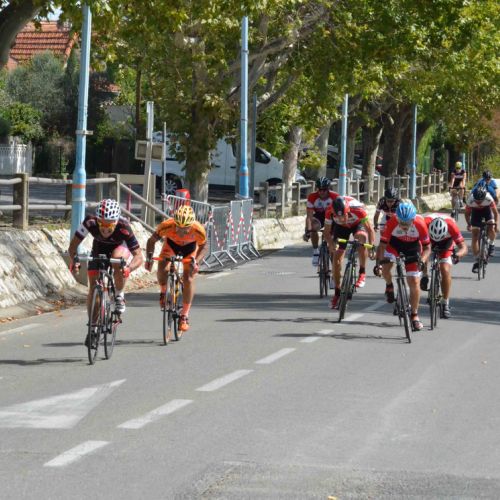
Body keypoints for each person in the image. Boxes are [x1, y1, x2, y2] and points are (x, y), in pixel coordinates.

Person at [68, 199, 144, 345]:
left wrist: (128, 268)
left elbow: (139, 256)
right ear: (97, 220)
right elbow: (72, 247)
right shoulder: (90, 222)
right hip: (99, 249)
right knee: (93, 289)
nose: (105, 228)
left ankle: (119, 295)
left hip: (120, 248)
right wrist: (75, 261)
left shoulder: (124, 227)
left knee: (117, 260)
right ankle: (93, 328)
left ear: (116, 222)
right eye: (102, 223)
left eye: (109, 224)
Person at [145, 205, 207, 333]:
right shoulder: (167, 225)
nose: (181, 232)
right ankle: (163, 292)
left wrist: (196, 262)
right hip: (171, 246)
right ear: (175, 223)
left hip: (190, 249)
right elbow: (151, 241)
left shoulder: (198, 229)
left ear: (191, 225)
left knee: (188, 278)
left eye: (186, 229)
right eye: (179, 227)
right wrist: (149, 259)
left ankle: (184, 315)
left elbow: (204, 246)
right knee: (162, 268)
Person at [374, 201, 431, 331]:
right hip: (394, 245)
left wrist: (422, 260)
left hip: (412, 248)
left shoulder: (420, 224)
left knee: (414, 281)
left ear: (413, 219)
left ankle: (415, 315)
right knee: (386, 268)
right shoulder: (392, 222)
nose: (404, 226)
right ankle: (389, 285)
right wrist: (379, 264)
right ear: (397, 218)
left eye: (407, 223)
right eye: (401, 222)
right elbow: (382, 246)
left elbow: (427, 248)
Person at [324, 196, 375, 309]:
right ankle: (337, 292)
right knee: (336, 259)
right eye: (339, 217)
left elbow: (370, 230)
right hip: (341, 228)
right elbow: (326, 233)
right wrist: (331, 244)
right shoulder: (329, 211)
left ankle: (362, 272)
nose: (342, 218)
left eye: (344, 215)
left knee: (361, 237)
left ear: (348, 211)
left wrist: (371, 247)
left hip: (357, 224)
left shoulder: (358, 209)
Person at [421, 214, 468, 318]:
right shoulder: (424, 223)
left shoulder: (452, 226)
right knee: (423, 254)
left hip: (446, 242)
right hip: (429, 240)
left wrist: (457, 255)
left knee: (445, 270)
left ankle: (445, 302)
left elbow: (464, 248)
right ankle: (424, 275)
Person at [303, 177, 339, 266]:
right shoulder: (312, 197)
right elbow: (309, 216)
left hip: (332, 217)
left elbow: (340, 215)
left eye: (324, 190)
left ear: (328, 189)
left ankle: (334, 265)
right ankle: (315, 251)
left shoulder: (335, 197)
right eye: (319, 190)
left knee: (332, 242)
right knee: (312, 227)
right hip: (319, 216)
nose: (322, 192)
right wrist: (308, 231)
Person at [465, 186, 498, 271]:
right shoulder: (470, 200)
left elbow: (495, 213)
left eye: (480, 201)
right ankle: (477, 259)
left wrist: (496, 224)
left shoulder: (489, 198)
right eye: (477, 200)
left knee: (491, 227)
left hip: (487, 211)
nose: (479, 202)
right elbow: (467, 214)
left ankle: (492, 243)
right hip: (476, 213)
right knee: (475, 236)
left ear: (484, 197)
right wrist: (469, 224)